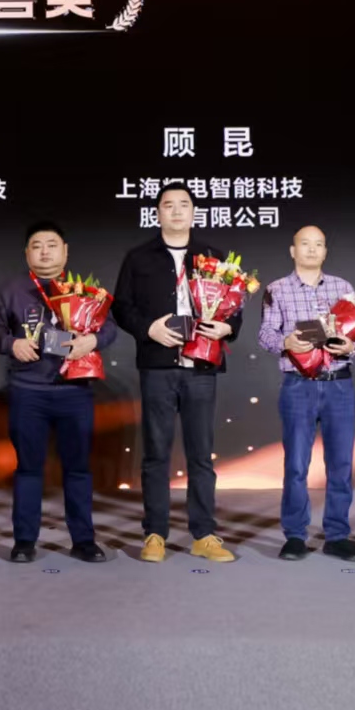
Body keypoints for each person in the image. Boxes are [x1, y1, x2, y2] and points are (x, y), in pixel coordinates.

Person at [113, 182, 240, 564]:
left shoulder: (214, 256)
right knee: (156, 453)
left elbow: (234, 307)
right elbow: (122, 307)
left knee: (201, 454)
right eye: (168, 205)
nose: (177, 210)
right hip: (158, 365)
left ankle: (204, 534)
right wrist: (148, 329)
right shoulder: (139, 257)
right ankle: (155, 533)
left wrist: (228, 327)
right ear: (158, 213)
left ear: (194, 212)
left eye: (184, 204)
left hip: (201, 365)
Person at [0, 221, 119, 563]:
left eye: (52, 244)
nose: (44, 251)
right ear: (27, 253)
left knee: (78, 468)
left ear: (65, 251)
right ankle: (24, 541)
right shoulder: (12, 289)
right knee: (28, 468)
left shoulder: (84, 289)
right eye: (37, 245)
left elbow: (110, 326)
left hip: (75, 391)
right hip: (28, 392)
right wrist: (11, 344)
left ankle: (84, 541)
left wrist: (93, 340)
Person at [257, 224, 355, 562]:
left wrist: (350, 346)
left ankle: (337, 535)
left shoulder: (342, 287)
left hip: (339, 384)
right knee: (296, 463)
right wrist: (286, 342)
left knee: (341, 464)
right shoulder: (276, 289)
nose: (311, 249)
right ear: (293, 251)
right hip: (298, 385)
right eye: (305, 244)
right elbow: (265, 334)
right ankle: (295, 535)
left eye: (318, 244)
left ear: (325, 251)